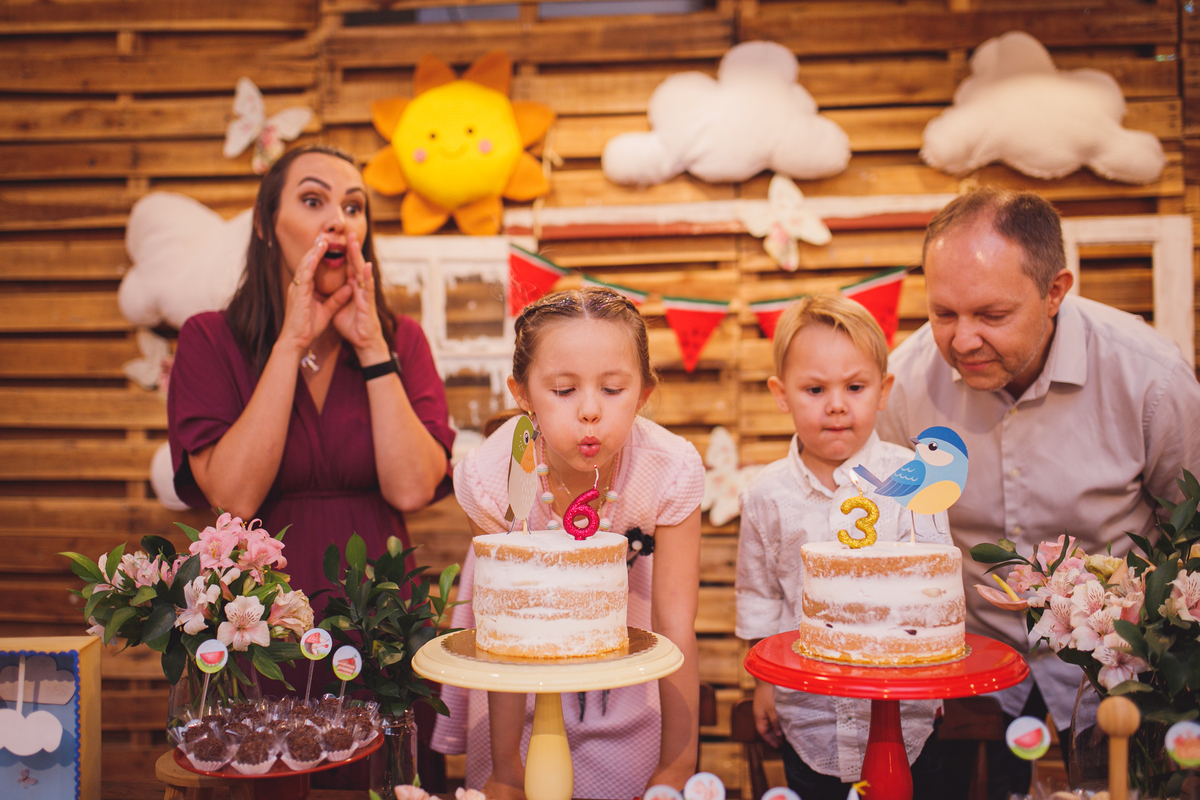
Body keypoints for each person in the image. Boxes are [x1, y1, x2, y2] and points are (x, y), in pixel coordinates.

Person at [878, 187, 1200, 798]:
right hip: (966, 684)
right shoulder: (905, 386)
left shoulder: (1150, 378)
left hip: (1125, 681)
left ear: (1056, 291)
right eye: (943, 314)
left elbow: (1192, 530)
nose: (963, 339)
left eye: (991, 315)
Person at [431, 287, 705, 799]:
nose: (589, 412)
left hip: (627, 678)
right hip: (513, 692)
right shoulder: (492, 475)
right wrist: (508, 769)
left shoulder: (670, 469)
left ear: (644, 393)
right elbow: (503, 630)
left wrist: (676, 767)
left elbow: (675, 629)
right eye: (562, 390)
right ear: (522, 393)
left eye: (613, 389)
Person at [167, 142, 455, 608]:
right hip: (258, 625)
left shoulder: (401, 340)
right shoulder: (209, 339)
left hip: (379, 623)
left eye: (353, 207)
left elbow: (414, 488)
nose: (339, 220)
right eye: (312, 201)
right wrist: (291, 344)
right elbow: (233, 499)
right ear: (264, 225)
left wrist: (371, 348)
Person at [735, 293, 947, 800]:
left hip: (908, 709)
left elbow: (937, 592)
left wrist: (935, 681)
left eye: (854, 386)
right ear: (781, 394)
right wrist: (762, 683)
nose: (835, 404)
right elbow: (760, 595)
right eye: (814, 388)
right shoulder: (767, 493)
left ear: (883, 390)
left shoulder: (916, 482)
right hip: (807, 713)